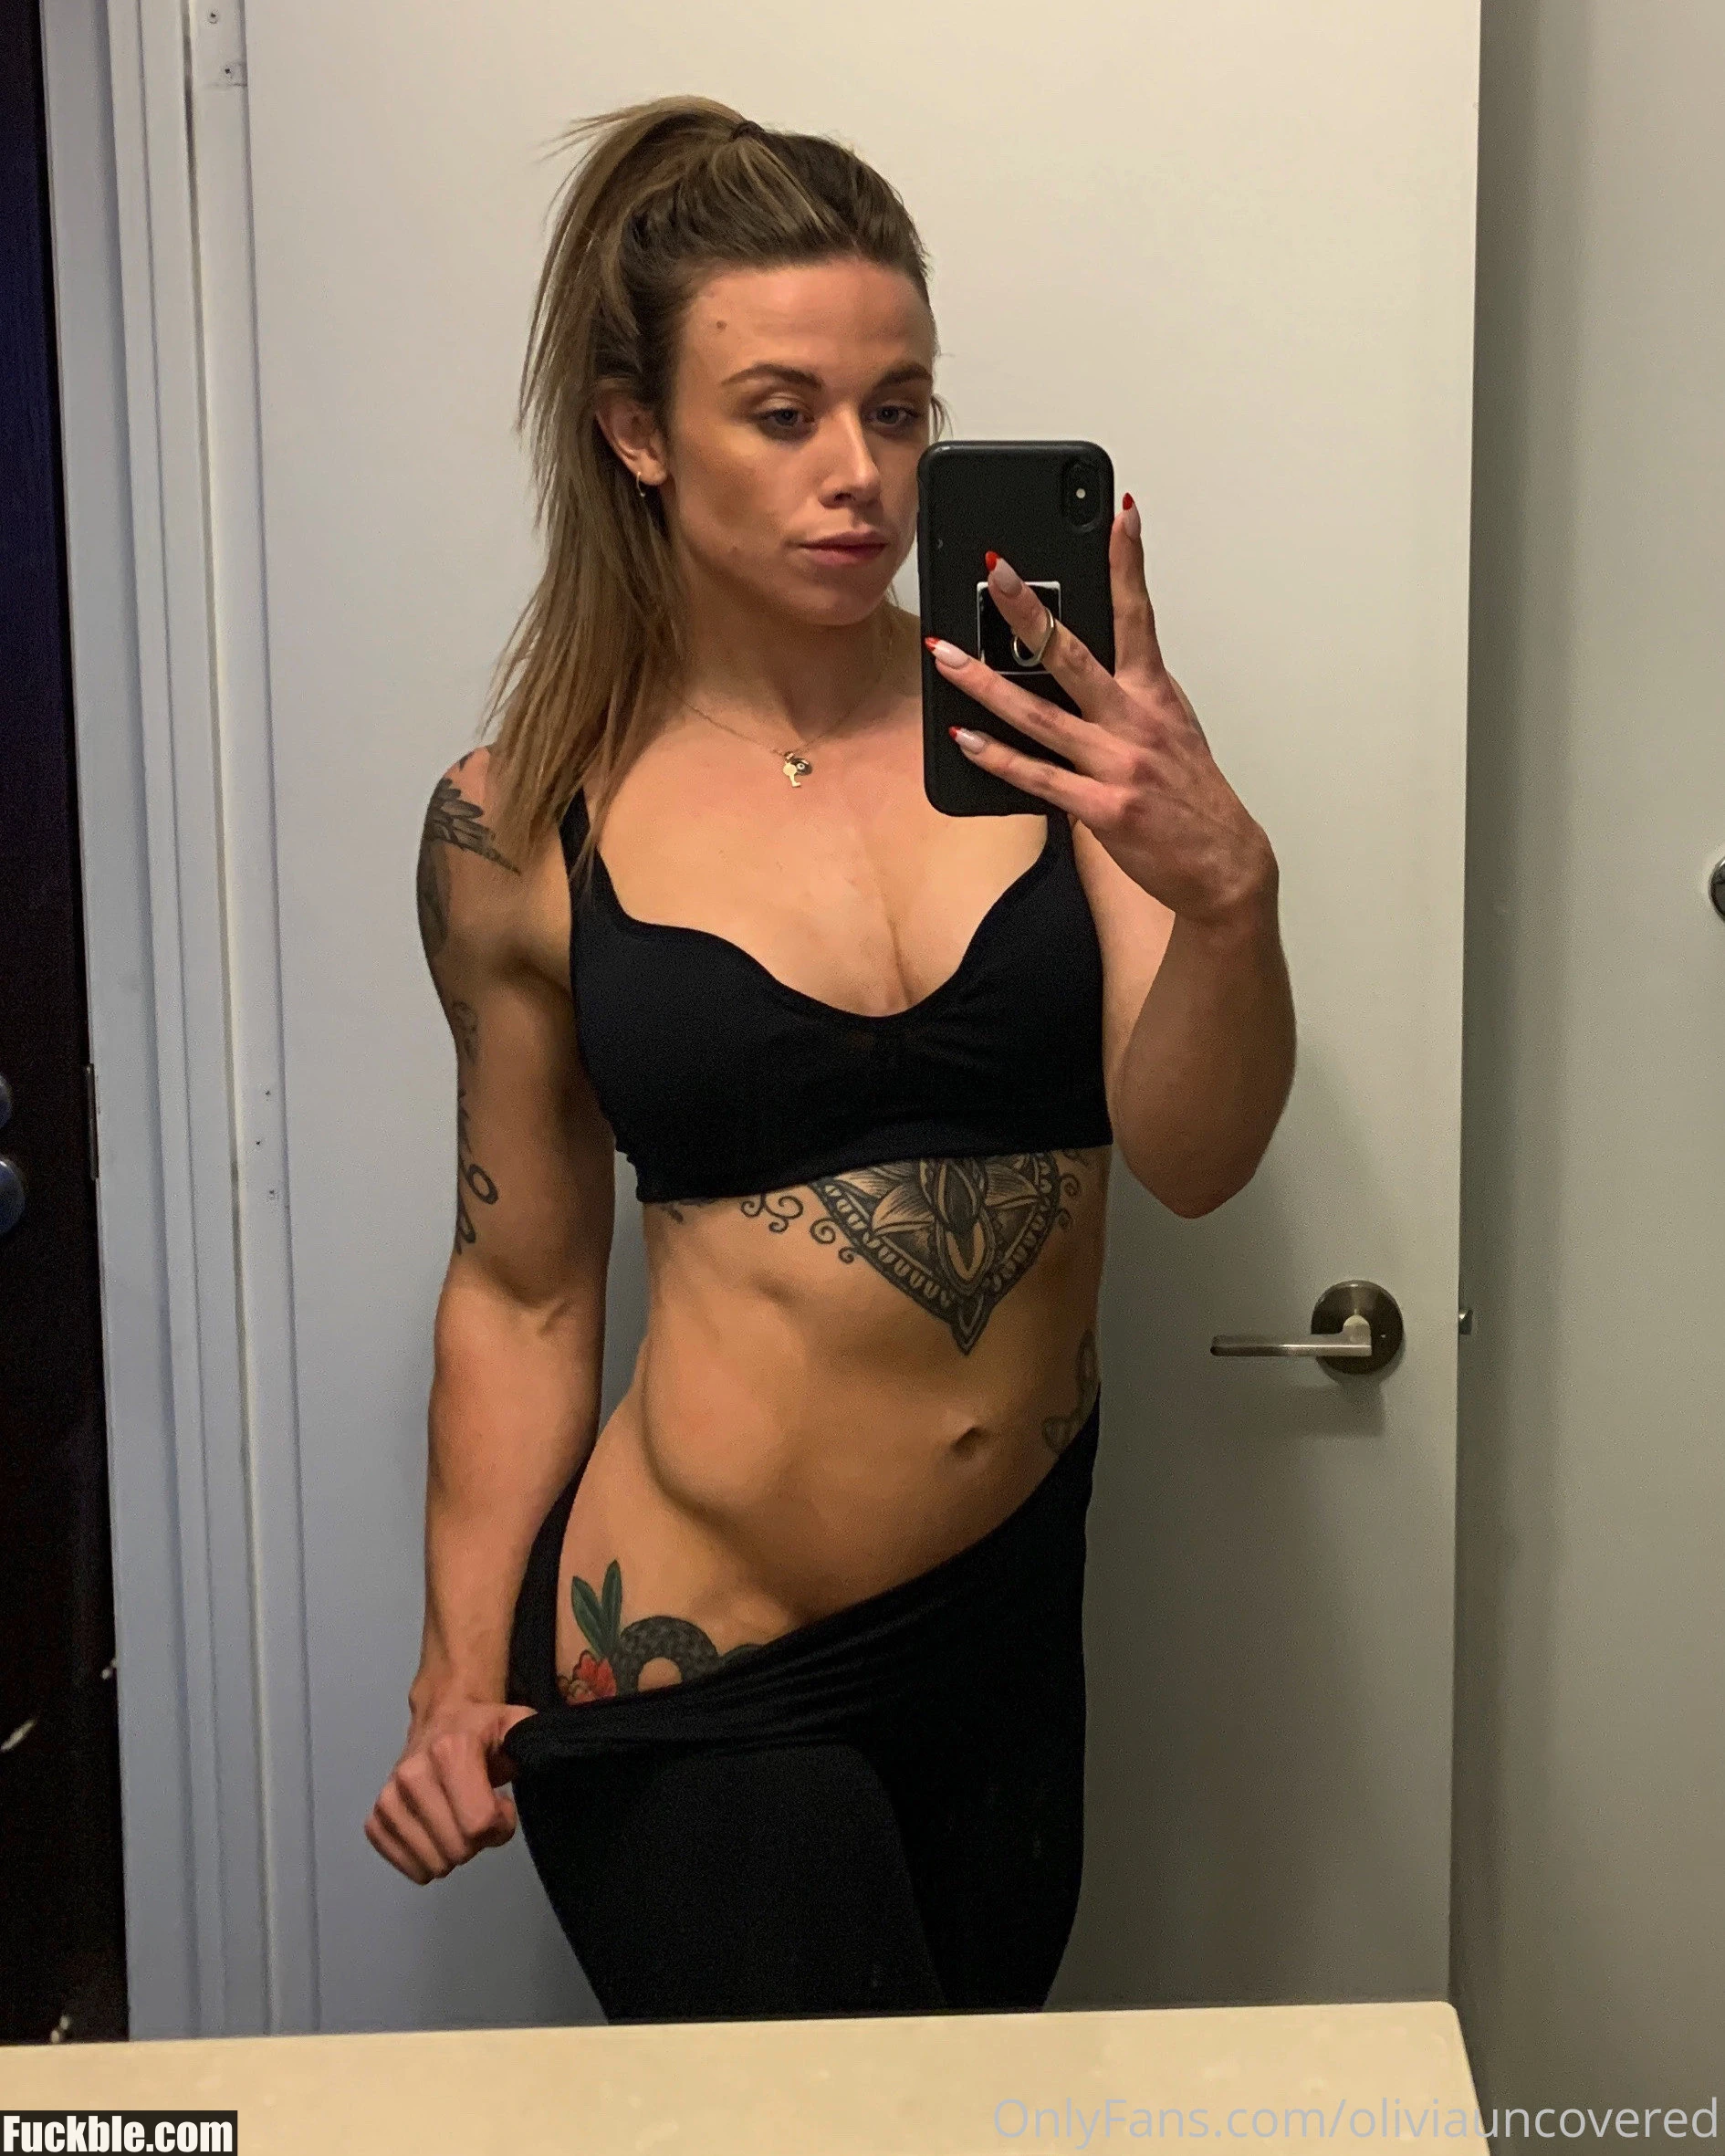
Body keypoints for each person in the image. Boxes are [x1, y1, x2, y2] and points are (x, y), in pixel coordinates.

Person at [366, 95, 1294, 2022]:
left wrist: (1226, 897)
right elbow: (525, 1286)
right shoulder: (524, 820)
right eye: (780, 412)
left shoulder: (1054, 734)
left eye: (898, 407)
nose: (857, 474)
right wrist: (456, 1672)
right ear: (638, 431)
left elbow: (1194, 1155)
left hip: (1008, 1637)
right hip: (703, 1673)